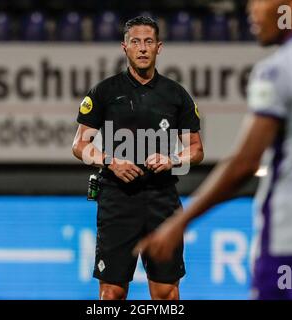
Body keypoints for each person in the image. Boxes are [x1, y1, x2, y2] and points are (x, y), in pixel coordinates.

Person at [135, 0, 292, 300]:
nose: (250, 10)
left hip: (291, 237)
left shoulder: (279, 69)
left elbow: (244, 162)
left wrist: (180, 223)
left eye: (257, 0)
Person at [72, 16, 204, 300]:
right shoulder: (104, 92)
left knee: (166, 293)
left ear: (159, 47)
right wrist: (110, 161)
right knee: (111, 293)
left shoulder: (176, 94)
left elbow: (196, 149)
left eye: (148, 42)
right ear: (124, 47)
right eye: (135, 42)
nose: (142, 48)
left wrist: (172, 160)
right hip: (117, 200)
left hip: (162, 200)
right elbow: (79, 144)